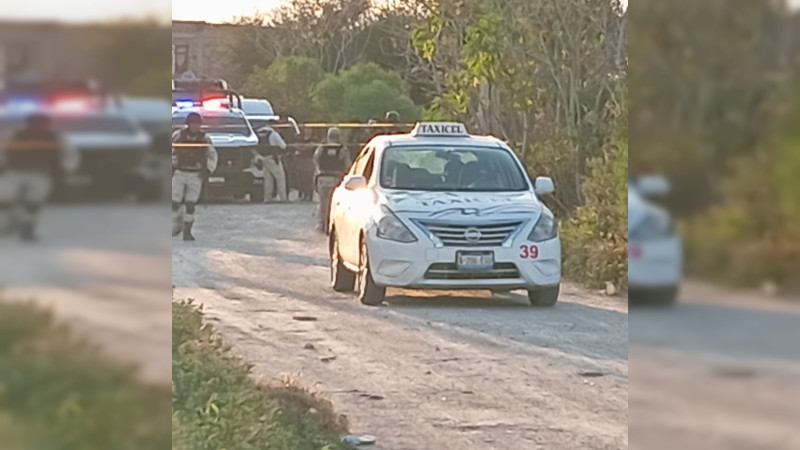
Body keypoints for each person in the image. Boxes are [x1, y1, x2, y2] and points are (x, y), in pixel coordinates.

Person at [0, 112, 78, 241]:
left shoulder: (56, 137)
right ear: (27, 124)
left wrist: (67, 168)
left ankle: (28, 229)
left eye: (42, 124)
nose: (38, 126)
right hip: (13, 172)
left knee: (33, 204)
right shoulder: (12, 135)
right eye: (34, 123)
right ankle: (6, 225)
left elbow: (70, 154)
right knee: (4, 201)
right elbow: (1, 149)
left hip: (41, 174)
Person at [172, 112, 218, 241]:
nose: (195, 126)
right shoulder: (178, 136)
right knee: (174, 202)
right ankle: (176, 224)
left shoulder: (204, 139)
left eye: (197, 124)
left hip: (196, 174)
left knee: (190, 203)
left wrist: (208, 169)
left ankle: (187, 231)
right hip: (180, 172)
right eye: (193, 124)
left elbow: (212, 155)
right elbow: (171, 151)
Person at [312, 127, 352, 232]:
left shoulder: (321, 148)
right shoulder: (343, 149)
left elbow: (315, 161)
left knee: (322, 202)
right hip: (336, 179)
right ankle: (333, 224)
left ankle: (321, 224)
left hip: (322, 178)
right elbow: (348, 165)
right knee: (336, 203)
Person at [254, 119, 288, 203]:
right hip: (273, 158)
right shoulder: (274, 134)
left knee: (268, 179)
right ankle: (283, 197)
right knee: (280, 178)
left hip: (262, 157)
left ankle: (267, 197)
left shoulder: (258, 132)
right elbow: (283, 146)